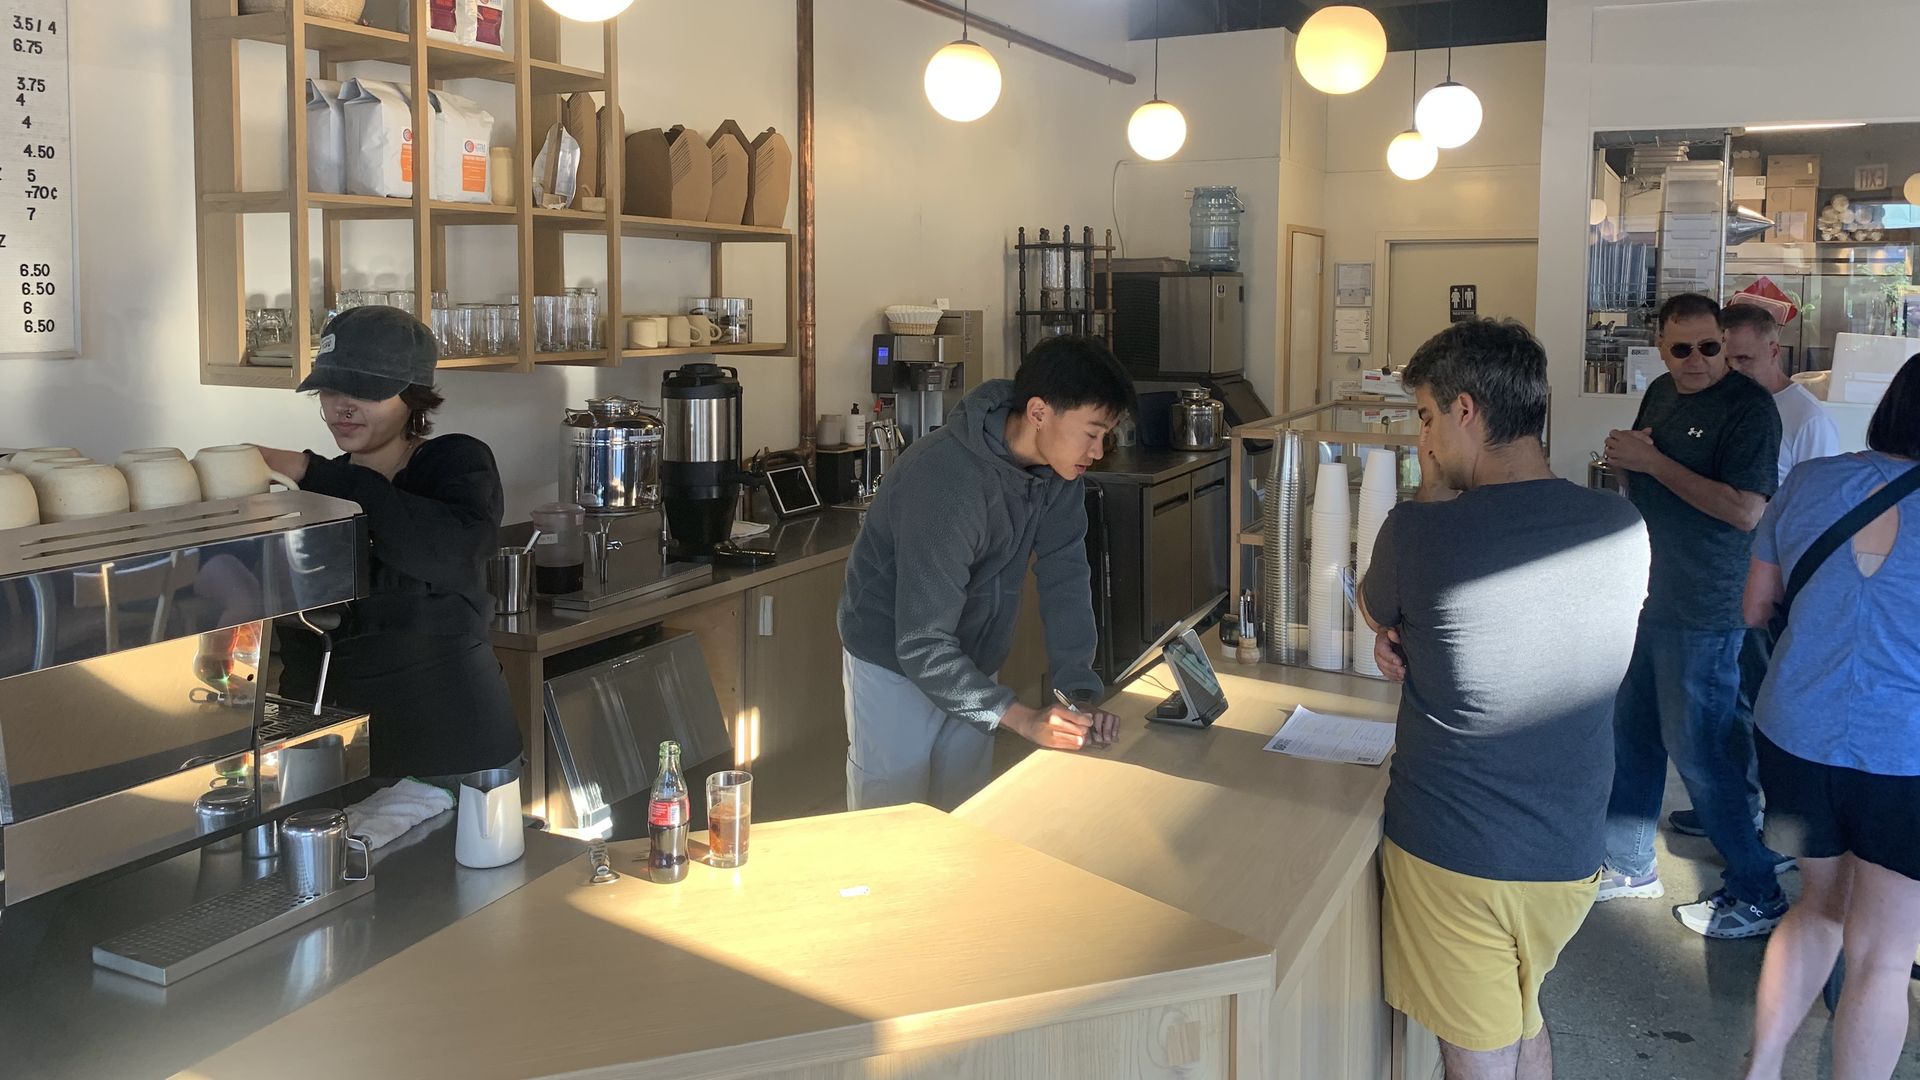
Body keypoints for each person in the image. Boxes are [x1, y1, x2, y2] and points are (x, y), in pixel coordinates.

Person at [1359, 319, 1649, 1080]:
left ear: (1464, 412)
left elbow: (1375, 606)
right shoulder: (1621, 524)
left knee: (1476, 1056)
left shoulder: (1422, 532)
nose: (1423, 437)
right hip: (1570, 854)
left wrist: (1424, 495)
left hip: (1461, 853)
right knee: (1523, 1018)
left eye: (1424, 417)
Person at [836, 335, 1132, 811]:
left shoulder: (1059, 473)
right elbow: (921, 643)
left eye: (1106, 437)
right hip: (894, 661)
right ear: (1039, 412)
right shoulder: (947, 481)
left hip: (973, 658)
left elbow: (1067, 578)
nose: (1097, 452)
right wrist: (1021, 718)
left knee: (965, 816)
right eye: (1092, 432)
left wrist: (1075, 693)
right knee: (891, 828)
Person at [1740, 355, 1920, 1080]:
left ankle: (1762, 1069)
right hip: (1904, 756)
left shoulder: (1812, 482)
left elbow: (1755, 607)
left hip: (1797, 732)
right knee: (1882, 956)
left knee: (1816, 904)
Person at [254, 306, 521, 780]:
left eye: (365, 391)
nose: (342, 406)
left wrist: (310, 470)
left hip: (450, 746)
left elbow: (448, 553)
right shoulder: (316, 493)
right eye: (330, 390)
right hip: (338, 751)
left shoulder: (455, 462)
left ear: (412, 397)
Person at [1597, 292, 1790, 939]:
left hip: (1707, 605)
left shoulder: (1749, 408)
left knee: (1702, 752)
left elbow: (1745, 510)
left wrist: (1653, 461)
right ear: (1662, 350)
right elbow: (1641, 476)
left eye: (1710, 346)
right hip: (1648, 594)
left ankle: (1757, 888)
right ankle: (1628, 864)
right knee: (1634, 735)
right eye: (1683, 349)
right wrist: (1627, 467)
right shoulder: (1660, 394)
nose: (1700, 360)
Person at [1667, 301, 1839, 841]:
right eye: (1725, 357)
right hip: (1724, 577)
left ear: (1774, 350)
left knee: (1755, 702)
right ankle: (1731, 804)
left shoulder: (1806, 419)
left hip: (1770, 584)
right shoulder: (1727, 407)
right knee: (1727, 701)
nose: (1729, 370)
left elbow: (1817, 514)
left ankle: (1761, 819)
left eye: (1738, 358)